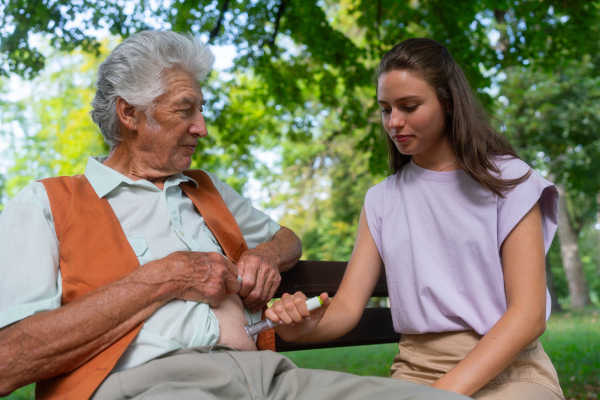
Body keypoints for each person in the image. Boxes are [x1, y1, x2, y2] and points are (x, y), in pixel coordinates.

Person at [0, 31, 469, 400]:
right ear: (130, 113)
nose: (201, 128)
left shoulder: (206, 188)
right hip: (154, 384)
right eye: (186, 110)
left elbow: (288, 239)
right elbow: (11, 360)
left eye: (201, 110)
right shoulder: (45, 203)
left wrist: (266, 254)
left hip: (268, 377)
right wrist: (164, 279)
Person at [265, 38, 565, 400]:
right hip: (414, 373)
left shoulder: (508, 180)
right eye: (385, 109)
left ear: (449, 103)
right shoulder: (381, 200)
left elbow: (529, 315)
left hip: (512, 373)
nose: (394, 122)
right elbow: (345, 307)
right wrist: (304, 329)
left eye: (409, 106)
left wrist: (442, 394)